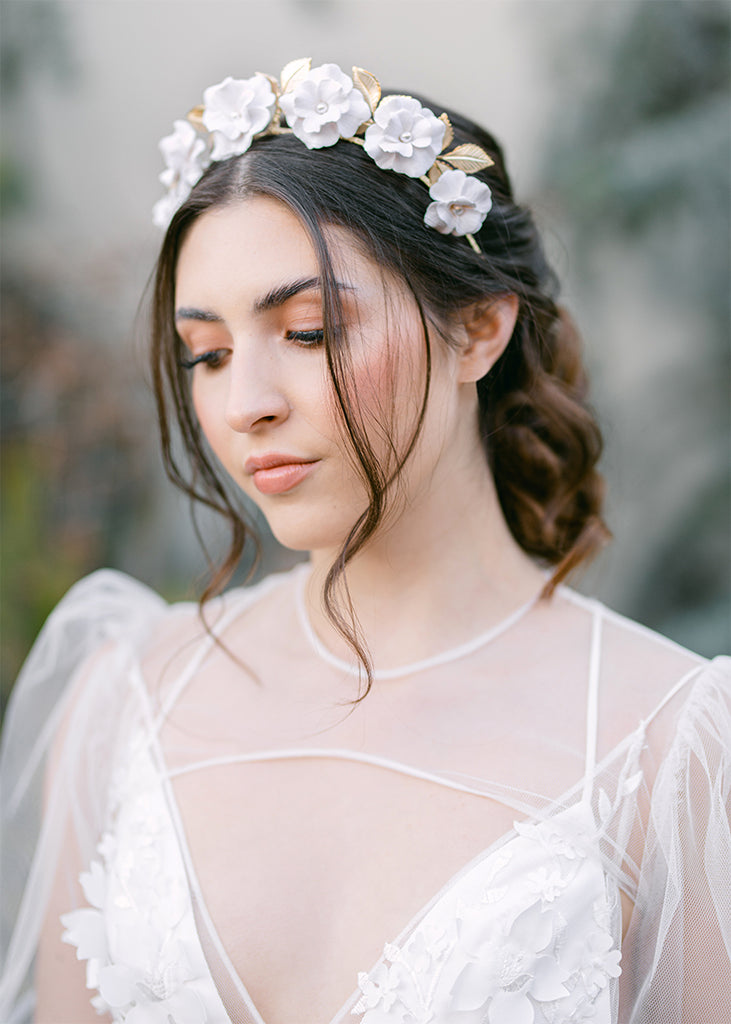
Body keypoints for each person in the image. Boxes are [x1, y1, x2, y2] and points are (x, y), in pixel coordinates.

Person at [0, 59, 728, 1024]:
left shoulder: (667, 743)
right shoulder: (128, 698)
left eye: (308, 332)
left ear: (478, 328)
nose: (246, 404)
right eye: (207, 354)